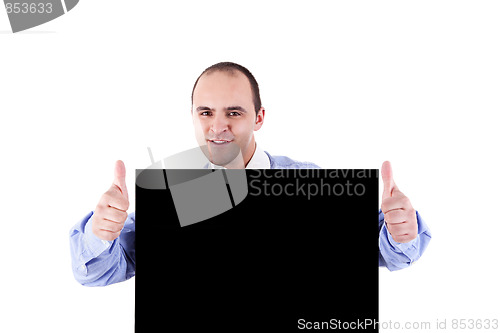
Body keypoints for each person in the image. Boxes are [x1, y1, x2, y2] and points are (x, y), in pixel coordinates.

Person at [69, 62, 432, 286]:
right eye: (206, 112)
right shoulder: (173, 197)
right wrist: (100, 234)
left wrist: (400, 232)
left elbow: (388, 253)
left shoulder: (309, 186)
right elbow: (97, 273)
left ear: (258, 118)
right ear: (193, 116)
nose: (218, 126)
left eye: (234, 112)